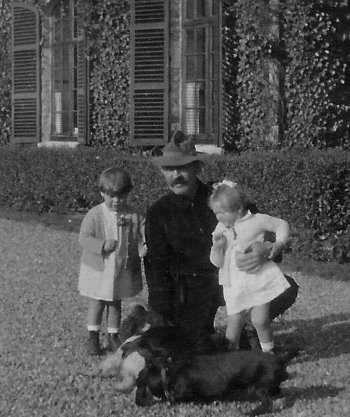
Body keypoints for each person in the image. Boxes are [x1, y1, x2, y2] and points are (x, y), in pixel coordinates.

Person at [144, 131, 296, 349]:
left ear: (197, 167)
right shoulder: (159, 212)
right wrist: (160, 315)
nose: (175, 175)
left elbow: (260, 225)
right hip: (191, 290)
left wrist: (266, 249)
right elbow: (156, 265)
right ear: (161, 171)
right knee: (199, 349)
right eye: (168, 169)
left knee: (286, 287)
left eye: (183, 168)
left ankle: (251, 327)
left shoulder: (224, 197)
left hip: (235, 277)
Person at [209, 180, 291, 353]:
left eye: (222, 213)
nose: (218, 217)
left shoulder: (257, 220)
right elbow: (217, 263)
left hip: (257, 279)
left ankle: (268, 354)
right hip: (234, 285)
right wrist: (217, 248)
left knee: (260, 321)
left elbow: (282, 224)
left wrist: (278, 244)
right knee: (233, 326)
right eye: (216, 213)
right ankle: (232, 359)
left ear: (238, 208)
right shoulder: (220, 230)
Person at [78, 167, 147, 355]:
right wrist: (101, 245)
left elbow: (145, 232)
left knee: (115, 303)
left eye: (122, 196)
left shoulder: (134, 214)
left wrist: (143, 245)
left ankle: (113, 335)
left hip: (121, 268)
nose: (117, 201)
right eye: (112, 196)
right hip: (99, 268)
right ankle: (93, 336)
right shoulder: (95, 214)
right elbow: (84, 238)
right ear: (102, 193)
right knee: (98, 302)